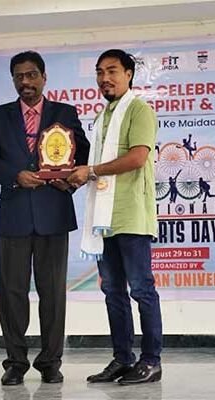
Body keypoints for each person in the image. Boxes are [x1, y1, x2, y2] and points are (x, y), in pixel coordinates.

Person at [0, 50, 90, 386]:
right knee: (11, 292)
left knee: (53, 292)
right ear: (13, 79)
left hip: (53, 212)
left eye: (31, 75)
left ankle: (50, 362)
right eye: (19, 76)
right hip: (14, 214)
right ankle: (15, 362)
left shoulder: (65, 113)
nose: (25, 82)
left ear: (43, 77)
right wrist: (15, 175)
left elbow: (81, 154)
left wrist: (67, 179)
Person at [67, 49, 162, 385]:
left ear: (129, 74)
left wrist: (90, 170)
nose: (104, 78)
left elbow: (137, 158)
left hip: (132, 215)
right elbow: (94, 169)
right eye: (99, 72)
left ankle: (151, 361)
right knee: (113, 293)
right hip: (103, 220)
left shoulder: (139, 110)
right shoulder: (101, 117)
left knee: (142, 290)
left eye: (112, 71)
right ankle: (123, 359)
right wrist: (70, 179)